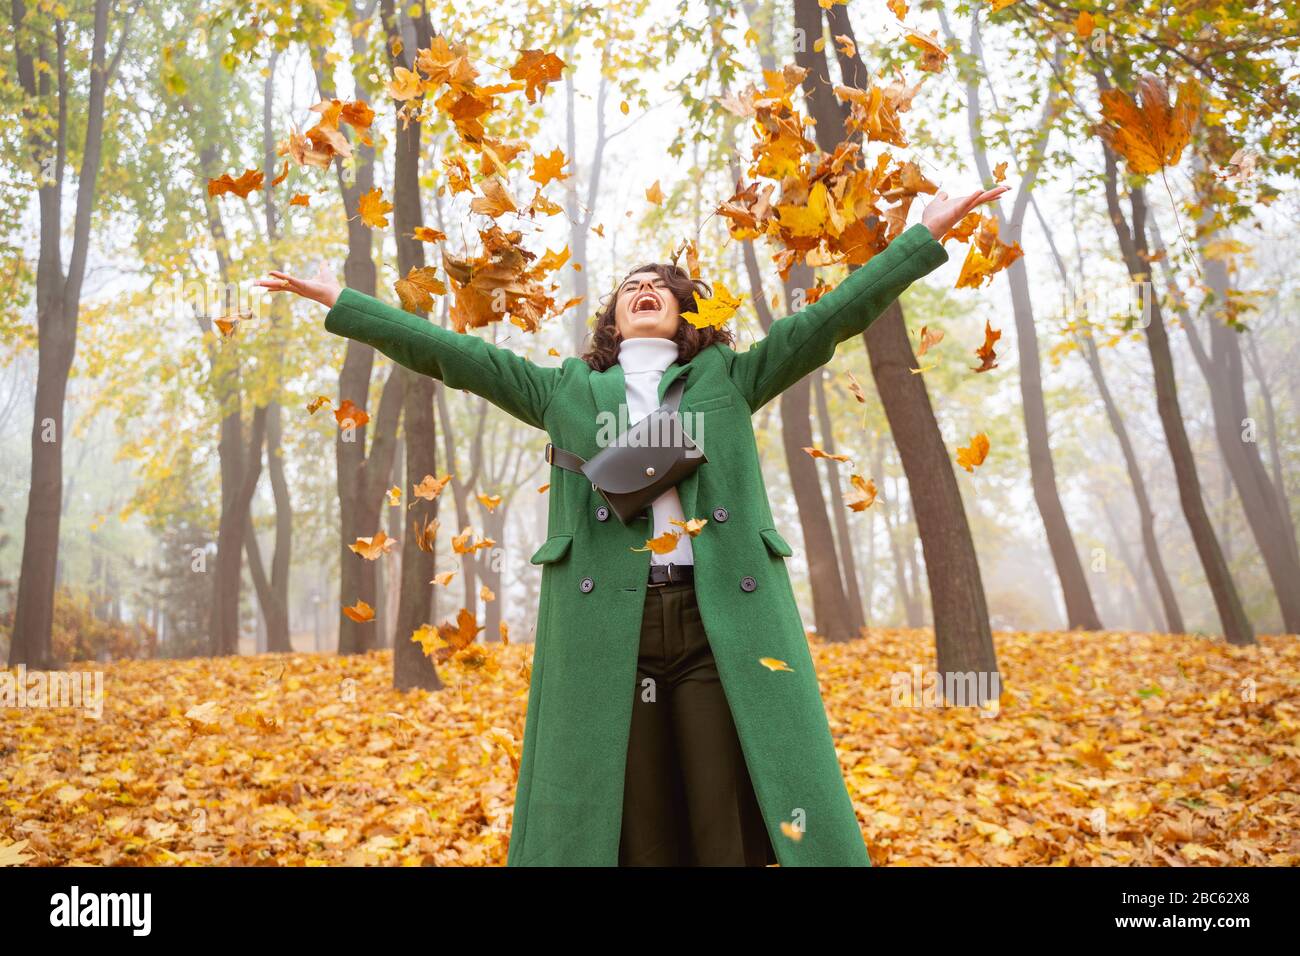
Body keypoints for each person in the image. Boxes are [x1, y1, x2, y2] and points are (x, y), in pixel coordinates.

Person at [258, 185, 1009, 866]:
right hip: (610, 626)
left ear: (685, 312)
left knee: (722, 812)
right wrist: (342, 302)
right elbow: (454, 354)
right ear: (612, 319)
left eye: (661, 287)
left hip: (719, 622)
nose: (645, 291)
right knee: (636, 823)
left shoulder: (730, 376)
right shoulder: (565, 389)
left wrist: (921, 238)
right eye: (631, 288)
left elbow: (829, 319)